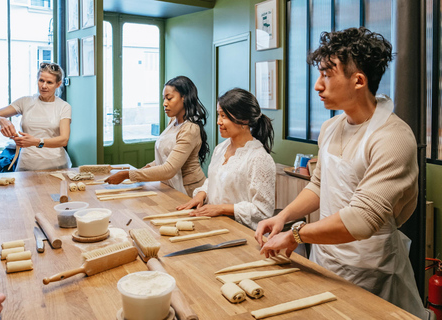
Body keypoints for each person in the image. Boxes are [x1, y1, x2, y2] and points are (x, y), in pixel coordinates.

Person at [254, 27, 426, 318]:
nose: (318, 86)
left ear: (358, 80)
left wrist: (296, 235)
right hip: (325, 259)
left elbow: (361, 220)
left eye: (327, 75)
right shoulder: (331, 128)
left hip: (373, 271)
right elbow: (320, 185)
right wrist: (282, 217)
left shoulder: (393, 137)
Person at [177, 88, 275, 230]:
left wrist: (221, 209)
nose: (218, 122)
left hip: (241, 233)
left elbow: (263, 210)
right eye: (218, 115)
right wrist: (201, 194)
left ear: (244, 120)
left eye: (224, 116)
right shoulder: (221, 148)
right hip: (215, 225)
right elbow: (214, 180)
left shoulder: (259, 158)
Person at [105, 76, 209, 197]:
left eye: (169, 98)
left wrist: (128, 175)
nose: (164, 103)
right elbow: (166, 156)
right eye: (164, 98)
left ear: (184, 97)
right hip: (171, 186)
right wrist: (145, 169)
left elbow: (169, 169)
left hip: (189, 191)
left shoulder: (190, 129)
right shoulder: (173, 121)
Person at [0, 62, 71, 171]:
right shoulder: (25, 102)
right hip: (27, 165)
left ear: (58, 84)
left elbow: (63, 140)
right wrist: (1, 120)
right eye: (41, 80)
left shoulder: (64, 107)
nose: (44, 86)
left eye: (49, 82)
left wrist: (36, 142)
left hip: (56, 166)